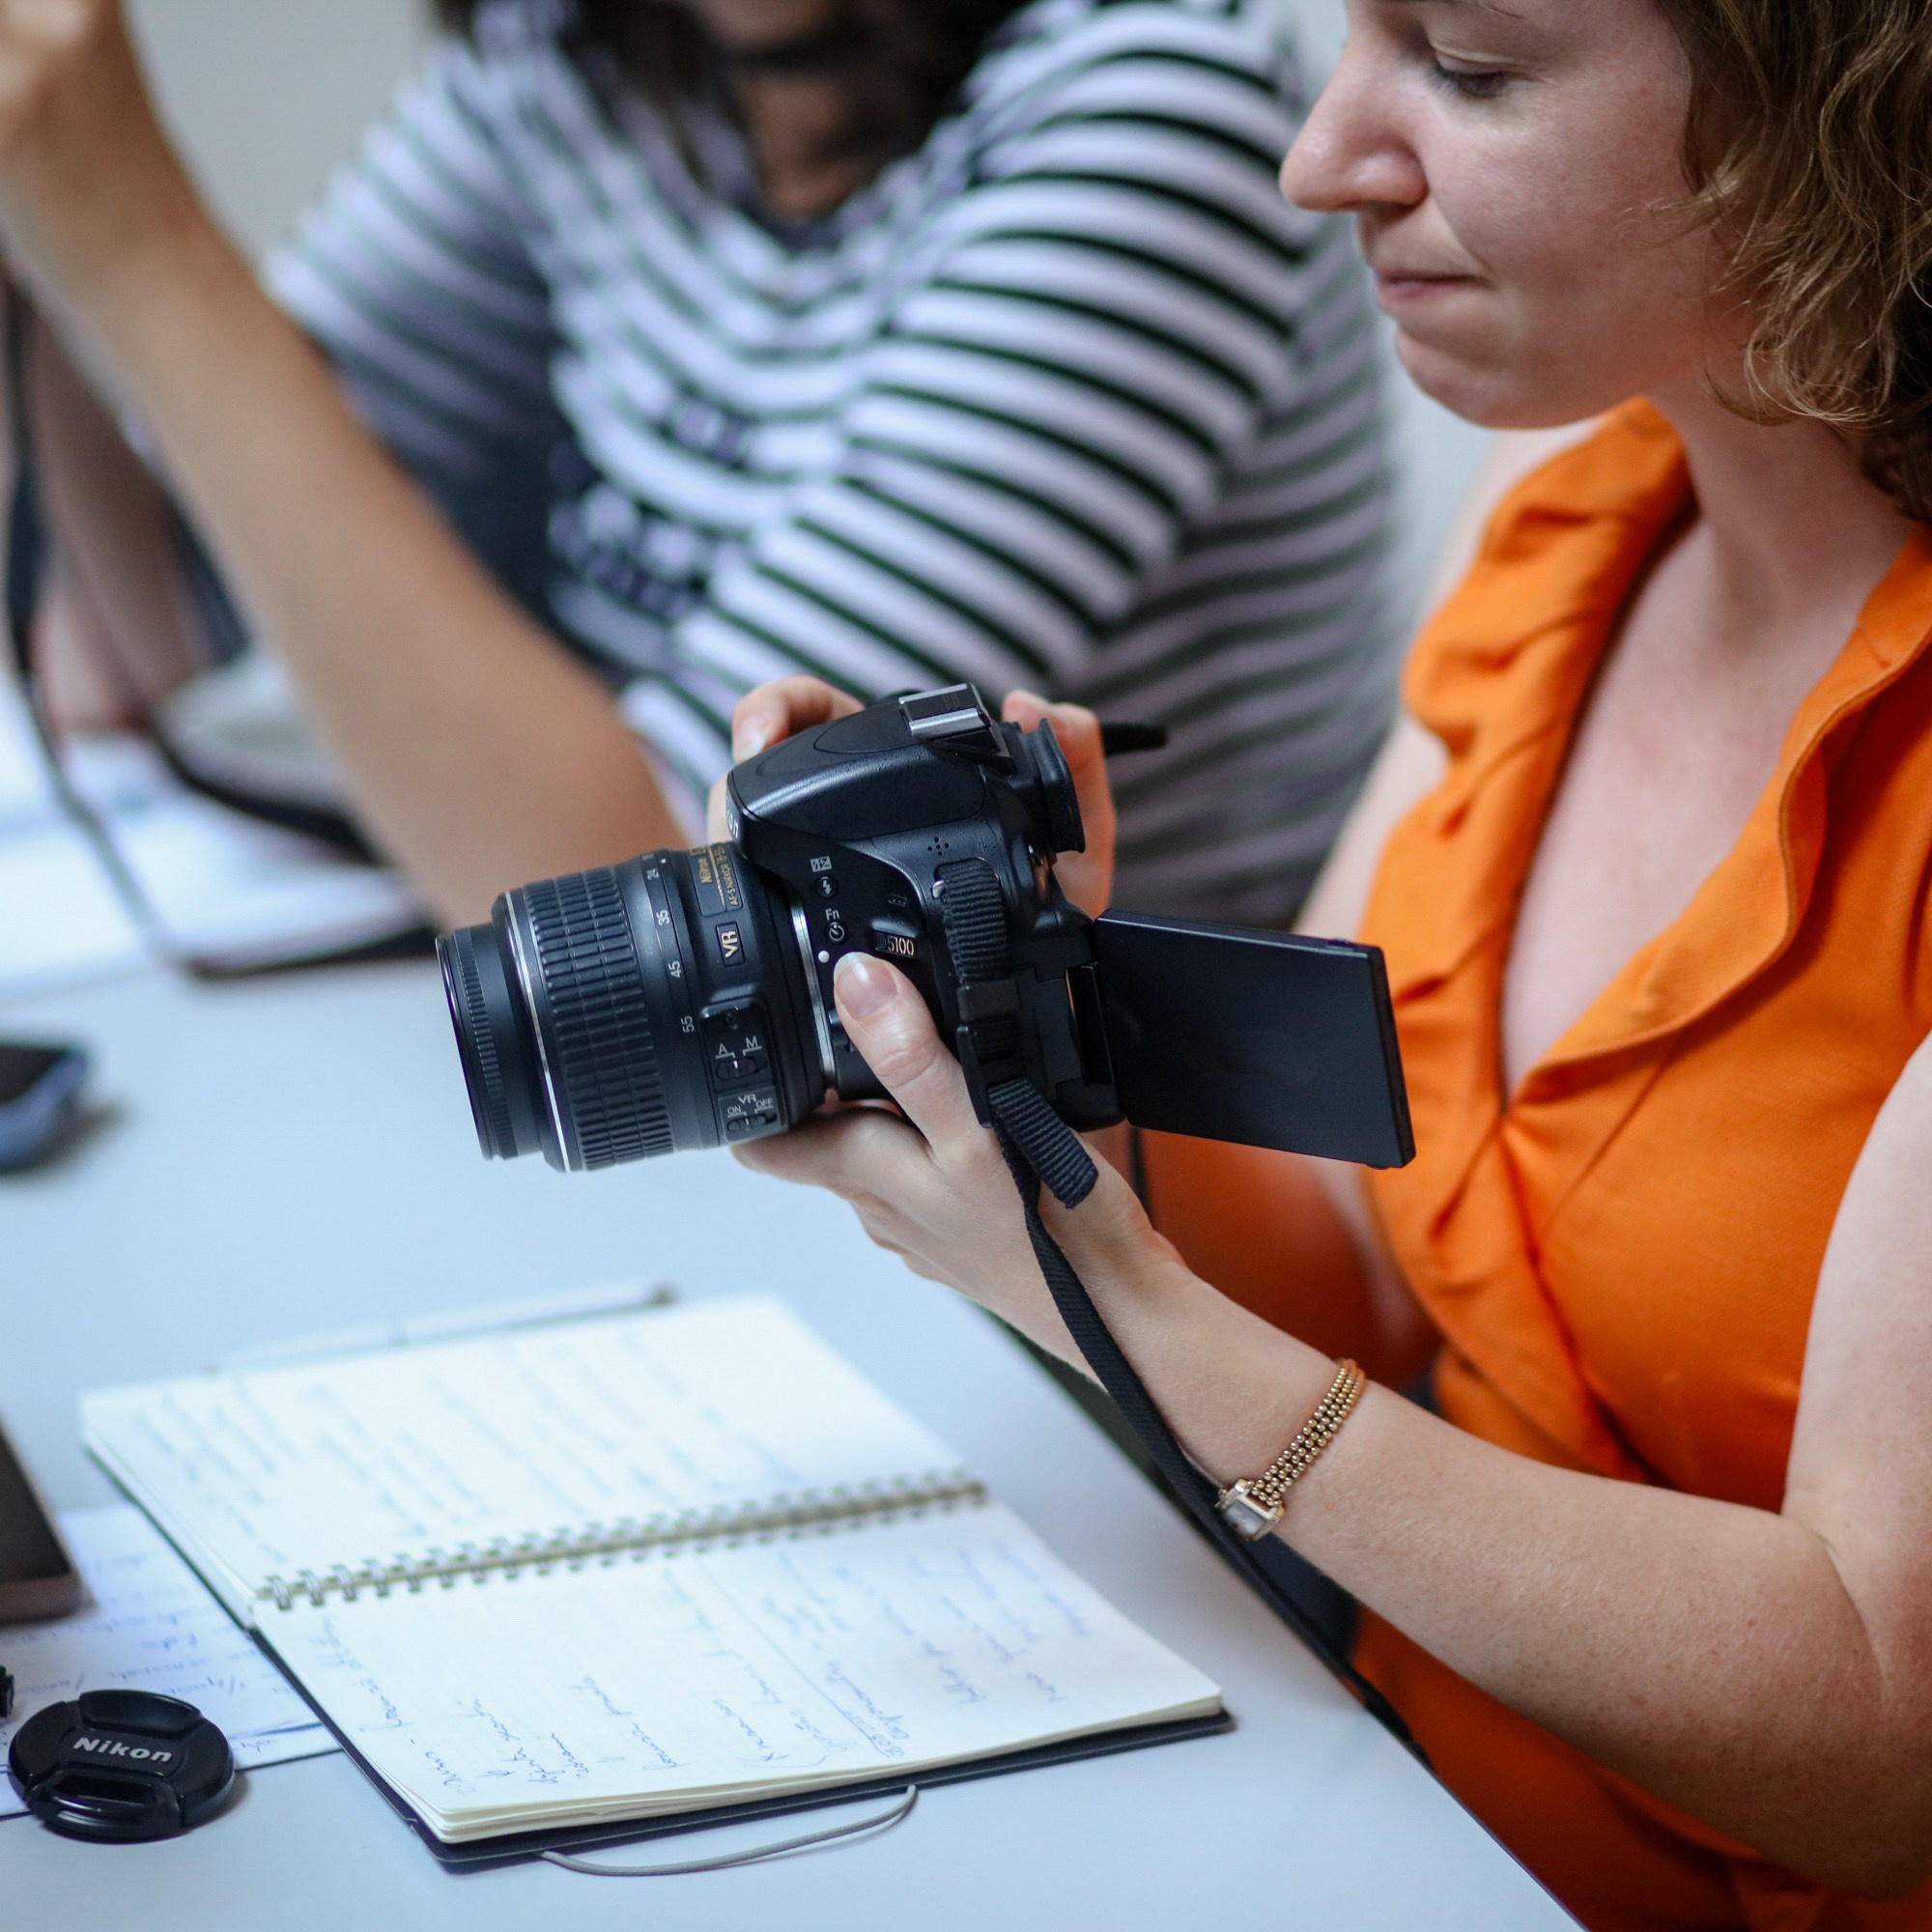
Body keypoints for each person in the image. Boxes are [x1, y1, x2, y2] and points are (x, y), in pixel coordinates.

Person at [708, 0, 1932, 1925]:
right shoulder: (1573, 524)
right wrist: (1040, 1033)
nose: (1316, 161)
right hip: (1394, 1792)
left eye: (1470, 67)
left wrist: (1128, 1315)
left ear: (1863, 110)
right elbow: (1360, 1256)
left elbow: (1884, 1744)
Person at [0, 0, 1400, 928]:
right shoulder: (592, 56)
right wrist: (53, 227)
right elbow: (148, 649)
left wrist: (139, 253)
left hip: (1131, 1195)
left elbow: (660, 905)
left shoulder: (1154, 106)